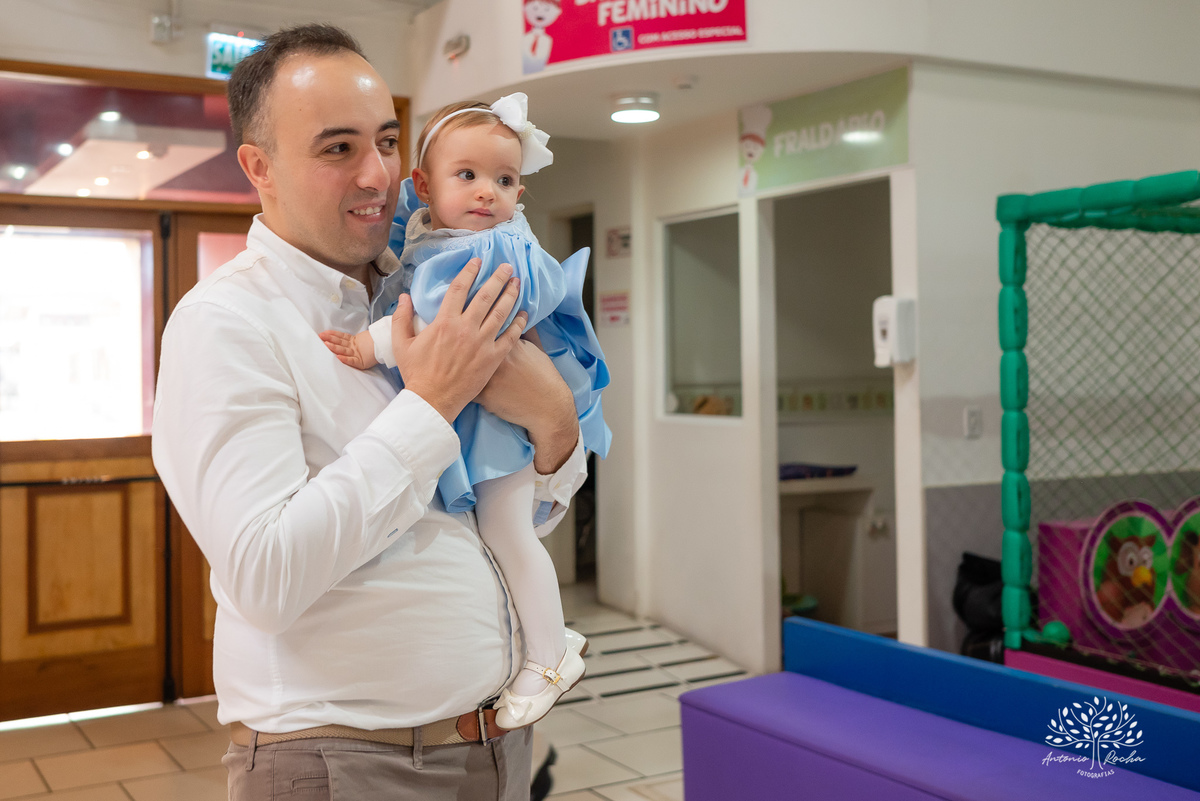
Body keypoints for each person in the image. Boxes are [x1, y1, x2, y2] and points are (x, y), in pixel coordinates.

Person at [151, 23, 587, 801]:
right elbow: (265, 576)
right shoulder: (226, 323)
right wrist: (431, 402)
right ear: (259, 167)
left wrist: (555, 421)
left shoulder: (423, 284)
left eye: (386, 141)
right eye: (338, 148)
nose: (377, 174)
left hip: (495, 746)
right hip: (345, 762)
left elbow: (511, 520)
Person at [319, 93, 610, 729]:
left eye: (504, 180)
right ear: (423, 187)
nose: (486, 192)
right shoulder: (437, 240)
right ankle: (543, 633)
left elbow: (438, 324)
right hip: (487, 423)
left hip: (500, 431)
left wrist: (369, 346)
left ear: (520, 194)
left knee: (508, 532)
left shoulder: (489, 251)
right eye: (468, 175)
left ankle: (551, 656)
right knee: (496, 535)